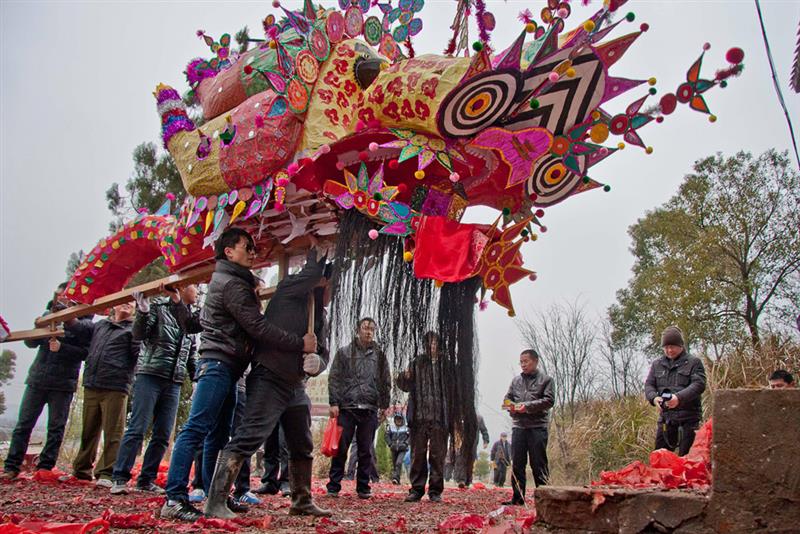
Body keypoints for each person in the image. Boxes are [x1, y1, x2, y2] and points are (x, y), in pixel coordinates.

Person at [161, 228, 314, 521]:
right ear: (229, 251)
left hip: (229, 366)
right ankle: (174, 497)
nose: (253, 252)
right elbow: (257, 327)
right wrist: (299, 344)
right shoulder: (231, 284)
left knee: (217, 434)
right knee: (197, 428)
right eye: (247, 247)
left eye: (255, 248)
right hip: (218, 363)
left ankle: (214, 497)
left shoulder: (232, 282)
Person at [203, 247, 330, 519]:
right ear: (321, 282)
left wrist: (318, 362)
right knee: (249, 435)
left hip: (296, 384)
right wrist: (316, 253)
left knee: (302, 444)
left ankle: (302, 500)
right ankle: (216, 500)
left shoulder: (321, 314)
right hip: (269, 376)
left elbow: (324, 351)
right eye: (332, 285)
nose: (333, 293)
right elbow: (309, 274)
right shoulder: (290, 290)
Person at [110, 285, 199, 495]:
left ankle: (146, 479)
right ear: (184, 288)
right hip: (150, 374)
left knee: (163, 433)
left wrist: (196, 379)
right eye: (195, 286)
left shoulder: (190, 319)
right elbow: (139, 333)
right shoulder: (159, 307)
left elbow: (191, 352)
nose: (197, 291)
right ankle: (120, 477)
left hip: (174, 380)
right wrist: (142, 311)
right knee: (138, 427)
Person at [2, 285, 92, 479]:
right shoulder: (46, 315)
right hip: (38, 378)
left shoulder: (83, 323)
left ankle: (45, 467)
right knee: (24, 424)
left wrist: (61, 348)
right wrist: (39, 328)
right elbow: (30, 342)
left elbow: (86, 353)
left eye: (68, 295)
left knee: (56, 427)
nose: (63, 299)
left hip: (64, 382)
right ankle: (11, 466)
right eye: (61, 295)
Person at [67, 302, 141, 486]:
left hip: (116, 385)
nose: (126, 305)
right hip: (93, 382)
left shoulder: (134, 330)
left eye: (131, 302)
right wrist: (68, 314)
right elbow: (78, 327)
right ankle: (81, 469)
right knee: (89, 430)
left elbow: (139, 354)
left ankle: (106, 473)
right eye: (123, 301)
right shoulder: (100, 325)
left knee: (113, 432)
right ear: (113, 306)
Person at [326, 317, 391, 500]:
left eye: (372, 329)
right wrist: (334, 402)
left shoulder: (380, 356)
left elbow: (386, 382)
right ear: (358, 330)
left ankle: (363, 486)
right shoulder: (344, 353)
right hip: (347, 407)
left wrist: (384, 405)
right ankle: (333, 485)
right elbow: (335, 378)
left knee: (365, 450)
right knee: (341, 448)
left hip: (369, 408)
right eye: (365, 328)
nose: (368, 331)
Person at [397, 331, 447, 503]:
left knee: (437, 455)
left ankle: (435, 491)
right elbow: (403, 386)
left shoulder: (446, 366)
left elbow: (455, 393)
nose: (432, 346)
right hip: (419, 417)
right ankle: (416, 489)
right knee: (418, 455)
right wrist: (404, 377)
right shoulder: (417, 362)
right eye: (429, 343)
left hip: (439, 417)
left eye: (435, 342)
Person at [644, 326, 707, 457]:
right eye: (666, 347)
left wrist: (678, 398)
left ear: (681, 345)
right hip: (666, 420)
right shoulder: (657, 364)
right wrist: (654, 398)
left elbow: (699, 384)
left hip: (689, 420)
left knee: (688, 461)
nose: (669, 350)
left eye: (672, 346)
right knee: (660, 458)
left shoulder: (694, 362)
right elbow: (649, 385)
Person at [502, 349, 554, 506]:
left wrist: (527, 407)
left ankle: (544, 499)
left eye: (526, 361)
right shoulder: (516, 381)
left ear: (535, 361)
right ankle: (518, 498)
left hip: (537, 427)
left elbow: (549, 400)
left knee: (538, 463)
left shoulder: (546, 380)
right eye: (521, 362)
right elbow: (508, 397)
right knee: (517, 463)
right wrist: (509, 405)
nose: (523, 365)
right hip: (519, 427)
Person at [453, 413, 490, 488]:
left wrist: (485, 441)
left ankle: (468, 480)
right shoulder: (461, 416)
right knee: (461, 460)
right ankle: (461, 480)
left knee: (470, 461)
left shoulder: (479, 418)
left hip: (473, 443)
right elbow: (455, 429)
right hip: (462, 443)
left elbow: (484, 430)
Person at [253, 424, 290, 496]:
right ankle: (270, 482)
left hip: (289, 413)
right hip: (269, 413)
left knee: (285, 444)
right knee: (269, 444)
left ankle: (286, 482)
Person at [385, 413, 410, 485]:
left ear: (402, 420)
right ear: (395, 419)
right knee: (394, 464)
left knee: (398, 463)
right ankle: (397, 480)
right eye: (397, 419)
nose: (398, 421)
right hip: (394, 448)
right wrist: (390, 444)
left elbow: (410, 437)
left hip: (403, 449)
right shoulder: (390, 427)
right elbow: (387, 436)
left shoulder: (406, 427)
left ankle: (395, 478)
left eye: (400, 419)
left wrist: (406, 443)